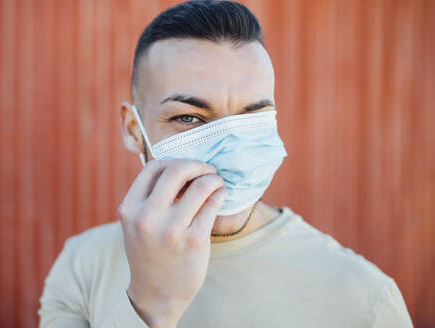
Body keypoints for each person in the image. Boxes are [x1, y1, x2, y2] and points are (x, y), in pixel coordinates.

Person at [38, 1, 413, 327]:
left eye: (253, 116)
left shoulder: (365, 299)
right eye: (189, 117)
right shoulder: (83, 266)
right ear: (135, 129)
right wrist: (150, 307)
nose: (231, 149)